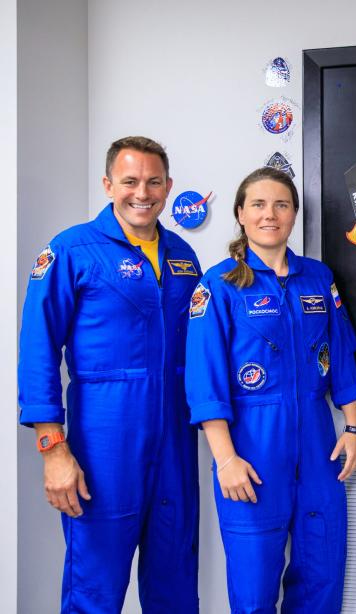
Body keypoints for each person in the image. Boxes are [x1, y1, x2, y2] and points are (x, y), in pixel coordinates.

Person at [18, 136, 201, 612]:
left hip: (176, 438)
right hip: (105, 437)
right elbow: (38, 349)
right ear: (107, 185)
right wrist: (52, 448)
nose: (142, 192)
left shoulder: (184, 257)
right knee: (95, 587)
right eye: (130, 181)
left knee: (176, 581)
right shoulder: (72, 250)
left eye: (153, 181)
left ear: (168, 186)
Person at [185, 167, 356, 613]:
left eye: (281, 205)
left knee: (322, 576)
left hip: (319, 447)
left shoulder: (317, 279)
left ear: (293, 215)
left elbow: (341, 357)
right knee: (254, 586)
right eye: (259, 205)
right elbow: (204, 379)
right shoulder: (219, 285)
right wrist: (225, 459)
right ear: (241, 215)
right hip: (251, 448)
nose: (271, 214)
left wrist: (355, 428)